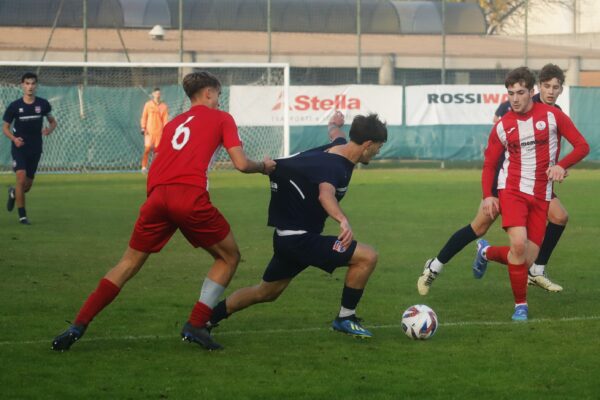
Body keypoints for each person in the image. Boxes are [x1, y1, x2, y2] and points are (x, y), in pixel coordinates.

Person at [51, 71, 276, 352]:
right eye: (218, 95)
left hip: (157, 196)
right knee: (229, 257)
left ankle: (77, 325)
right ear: (208, 93)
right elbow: (241, 164)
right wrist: (263, 167)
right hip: (188, 196)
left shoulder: (173, 124)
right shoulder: (222, 118)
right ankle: (196, 324)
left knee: (128, 263)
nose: (219, 100)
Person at [206, 112, 387, 342]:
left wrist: (333, 123)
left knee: (265, 292)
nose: (378, 151)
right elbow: (325, 195)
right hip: (299, 240)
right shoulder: (334, 167)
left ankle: (206, 319)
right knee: (368, 256)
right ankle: (345, 317)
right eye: (379, 147)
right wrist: (342, 220)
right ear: (368, 144)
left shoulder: (340, 146)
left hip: (288, 237)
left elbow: (336, 133)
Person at [418, 63, 576, 295]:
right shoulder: (517, 107)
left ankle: (536, 270)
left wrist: (560, 166)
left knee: (559, 217)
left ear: (561, 89)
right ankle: (435, 266)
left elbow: (556, 147)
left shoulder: (556, 113)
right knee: (478, 227)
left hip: (536, 185)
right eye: (546, 86)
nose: (551, 91)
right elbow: (498, 148)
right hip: (508, 183)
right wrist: (491, 192)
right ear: (537, 88)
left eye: (556, 87)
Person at [474, 67, 588, 320]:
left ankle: (485, 251)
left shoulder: (552, 116)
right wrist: (488, 194)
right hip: (512, 190)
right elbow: (490, 163)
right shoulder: (503, 125)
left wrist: (561, 165)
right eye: (510, 93)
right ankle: (520, 306)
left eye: (520, 92)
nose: (514, 98)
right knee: (517, 244)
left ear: (531, 92)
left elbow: (582, 146)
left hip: (541, 195)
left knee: (524, 259)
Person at [3, 72, 57, 225]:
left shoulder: (43, 104)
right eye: (27, 83)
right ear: (22, 85)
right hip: (19, 148)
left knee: (26, 186)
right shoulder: (14, 106)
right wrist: (14, 139)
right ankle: (22, 216)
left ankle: (13, 192)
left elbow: (53, 122)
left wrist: (49, 130)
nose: (30, 87)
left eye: (33, 83)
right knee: (20, 177)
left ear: (36, 85)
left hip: (35, 149)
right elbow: (5, 128)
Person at [140, 87, 169, 173]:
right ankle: (144, 167)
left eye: (159, 93)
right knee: (147, 149)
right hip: (149, 131)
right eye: (156, 93)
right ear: (153, 94)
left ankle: (154, 167)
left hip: (159, 132)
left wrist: (166, 130)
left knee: (157, 151)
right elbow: (144, 116)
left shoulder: (164, 106)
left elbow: (165, 119)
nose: (158, 95)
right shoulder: (148, 104)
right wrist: (143, 127)